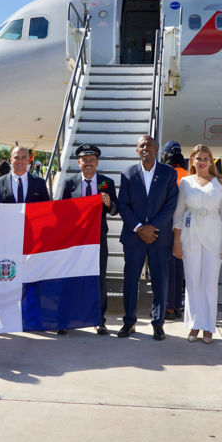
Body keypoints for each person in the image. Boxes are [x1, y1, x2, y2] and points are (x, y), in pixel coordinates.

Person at [117, 135, 179, 340]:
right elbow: (123, 205)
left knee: (160, 281)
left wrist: (153, 228)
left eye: (149, 146)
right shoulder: (127, 174)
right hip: (134, 238)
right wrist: (139, 228)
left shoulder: (168, 173)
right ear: (137, 150)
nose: (146, 149)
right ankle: (129, 322)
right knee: (130, 281)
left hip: (159, 238)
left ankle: (158, 324)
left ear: (157, 149)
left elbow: (171, 204)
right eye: (142, 146)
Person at [172, 145, 222, 343]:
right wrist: (176, 242)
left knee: (209, 282)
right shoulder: (186, 183)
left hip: (214, 237)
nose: (203, 161)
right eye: (198, 158)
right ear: (192, 160)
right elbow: (179, 214)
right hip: (190, 237)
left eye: (206, 157)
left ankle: (209, 327)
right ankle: (194, 325)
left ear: (211, 160)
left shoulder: (221, 182)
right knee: (192, 282)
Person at [62, 143, 118, 335]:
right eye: (84, 160)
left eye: (91, 160)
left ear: (97, 162)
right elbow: (63, 213)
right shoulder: (70, 183)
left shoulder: (107, 182)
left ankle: (99, 321)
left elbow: (115, 210)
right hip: (75, 240)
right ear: (78, 162)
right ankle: (66, 319)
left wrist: (109, 203)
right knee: (71, 278)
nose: (88, 163)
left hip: (98, 238)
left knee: (99, 279)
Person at [161, 142, 188, 321]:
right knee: (179, 267)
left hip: (168, 225)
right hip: (185, 225)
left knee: (168, 267)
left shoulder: (164, 174)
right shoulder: (187, 175)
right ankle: (177, 305)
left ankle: (169, 308)